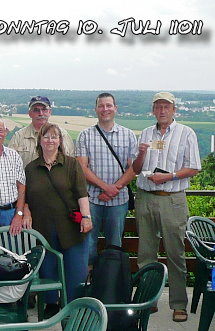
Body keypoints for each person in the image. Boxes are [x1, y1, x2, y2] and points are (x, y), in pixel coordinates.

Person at [132, 92, 201, 323]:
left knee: (175, 253)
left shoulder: (186, 133)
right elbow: (136, 168)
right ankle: (148, 300)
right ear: (153, 110)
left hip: (172, 199)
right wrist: (141, 153)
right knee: (146, 254)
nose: (162, 111)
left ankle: (178, 304)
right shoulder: (146, 133)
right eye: (158, 107)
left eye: (166, 107)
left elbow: (193, 168)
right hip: (145, 196)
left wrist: (169, 177)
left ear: (174, 110)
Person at [24, 123, 92, 317]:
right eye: (46, 137)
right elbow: (25, 197)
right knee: (48, 267)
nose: (50, 140)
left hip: (71, 226)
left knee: (75, 270)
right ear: (40, 141)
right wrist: (26, 212)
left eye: (54, 137)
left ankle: (73, 308)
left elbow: (81, 193)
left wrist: (86, 217)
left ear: (60, 141)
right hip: (43, 227)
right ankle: (51, 303)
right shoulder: (31, 168)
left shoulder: (71, 164)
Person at [75, 93, 138, 265]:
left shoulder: (129, 135)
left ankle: (111, 284)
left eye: (109, 105)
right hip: (91, 200)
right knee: (88, 245)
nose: (105, 109)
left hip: (119, 200)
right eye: (101, 106)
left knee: (115, 246)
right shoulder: (85, 135)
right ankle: (88, 284)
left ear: (115, 108)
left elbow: (134, 168)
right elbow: (81, 167)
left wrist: (113, 189)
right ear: (96, 109)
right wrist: (106, 187)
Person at [9, 96, 75, 167]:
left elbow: (72, 163)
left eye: (44, 109)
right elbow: (9, 163)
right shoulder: (19, 137)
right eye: (36, 110)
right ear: (30, 113)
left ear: (50, 112)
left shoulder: (63, 135)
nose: (41, 113)